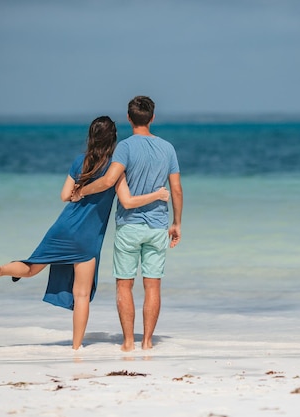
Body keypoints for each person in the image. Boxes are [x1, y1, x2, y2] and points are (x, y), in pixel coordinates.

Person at [0, 116, 169, 350]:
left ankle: (0, 270)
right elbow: (127, 202)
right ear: (113, 140)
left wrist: (80, 191)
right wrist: (157, 195)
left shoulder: (80, 162)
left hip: (62, 227)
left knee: (32, 267)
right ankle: (76, 348)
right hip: (86, 238)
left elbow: (64, 195)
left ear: (91, 137)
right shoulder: (115, 169)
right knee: (81, 295)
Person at [77, 96, 183, 352]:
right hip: (158, 225)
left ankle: (127, 343)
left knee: (124, 285)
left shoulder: (124, 147)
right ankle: (147, 342)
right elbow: (176, 190)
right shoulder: (168, 148)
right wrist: (177, 223)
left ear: (128, 118)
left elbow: (107, 181)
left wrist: (82, 191)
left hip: (128, 225)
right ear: (153, 118)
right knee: (153, 285)